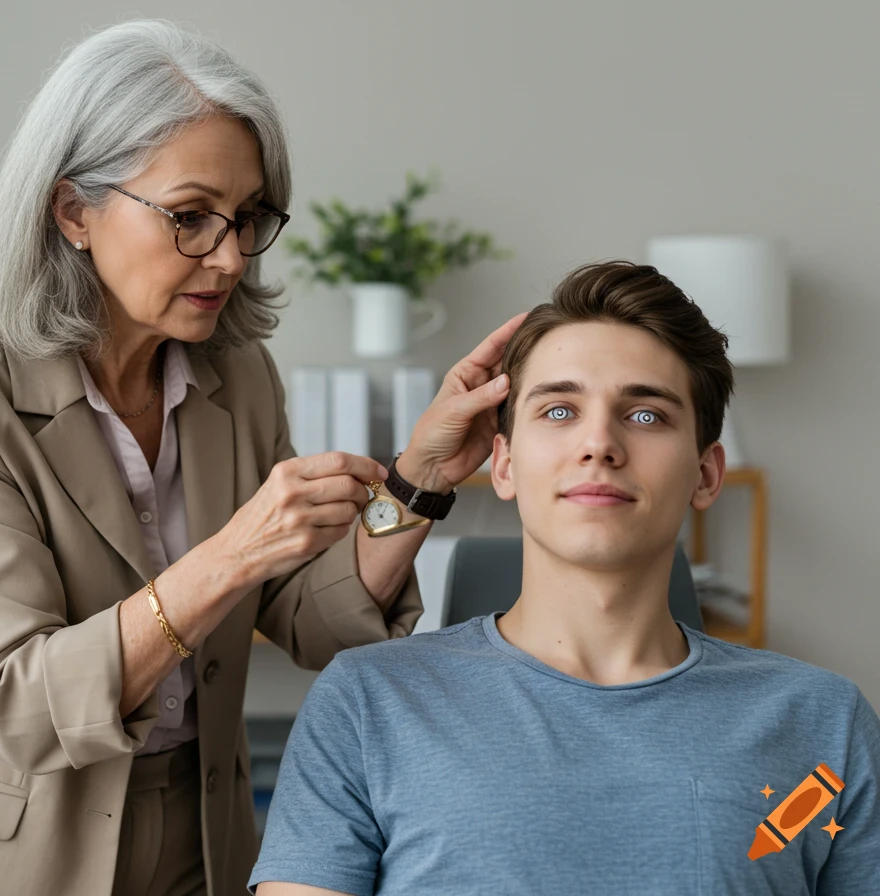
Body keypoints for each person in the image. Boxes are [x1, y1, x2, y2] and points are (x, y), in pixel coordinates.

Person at [0, 20, 520, 896]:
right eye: (191, 217)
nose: (231, 256)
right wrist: (236, 552)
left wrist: (422, 478)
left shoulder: (238, 377)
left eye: (248, 219)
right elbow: (15, 702)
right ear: (73, 212)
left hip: (201, 834)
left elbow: (312, 621)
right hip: (10, 854)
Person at [250, 261, 880, 896]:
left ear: (706, 475)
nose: (599, 443)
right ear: (503, 466)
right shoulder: (368, 703)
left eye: (645, 416)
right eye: (558, 411)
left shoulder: (824, 723)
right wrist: (416, 476)